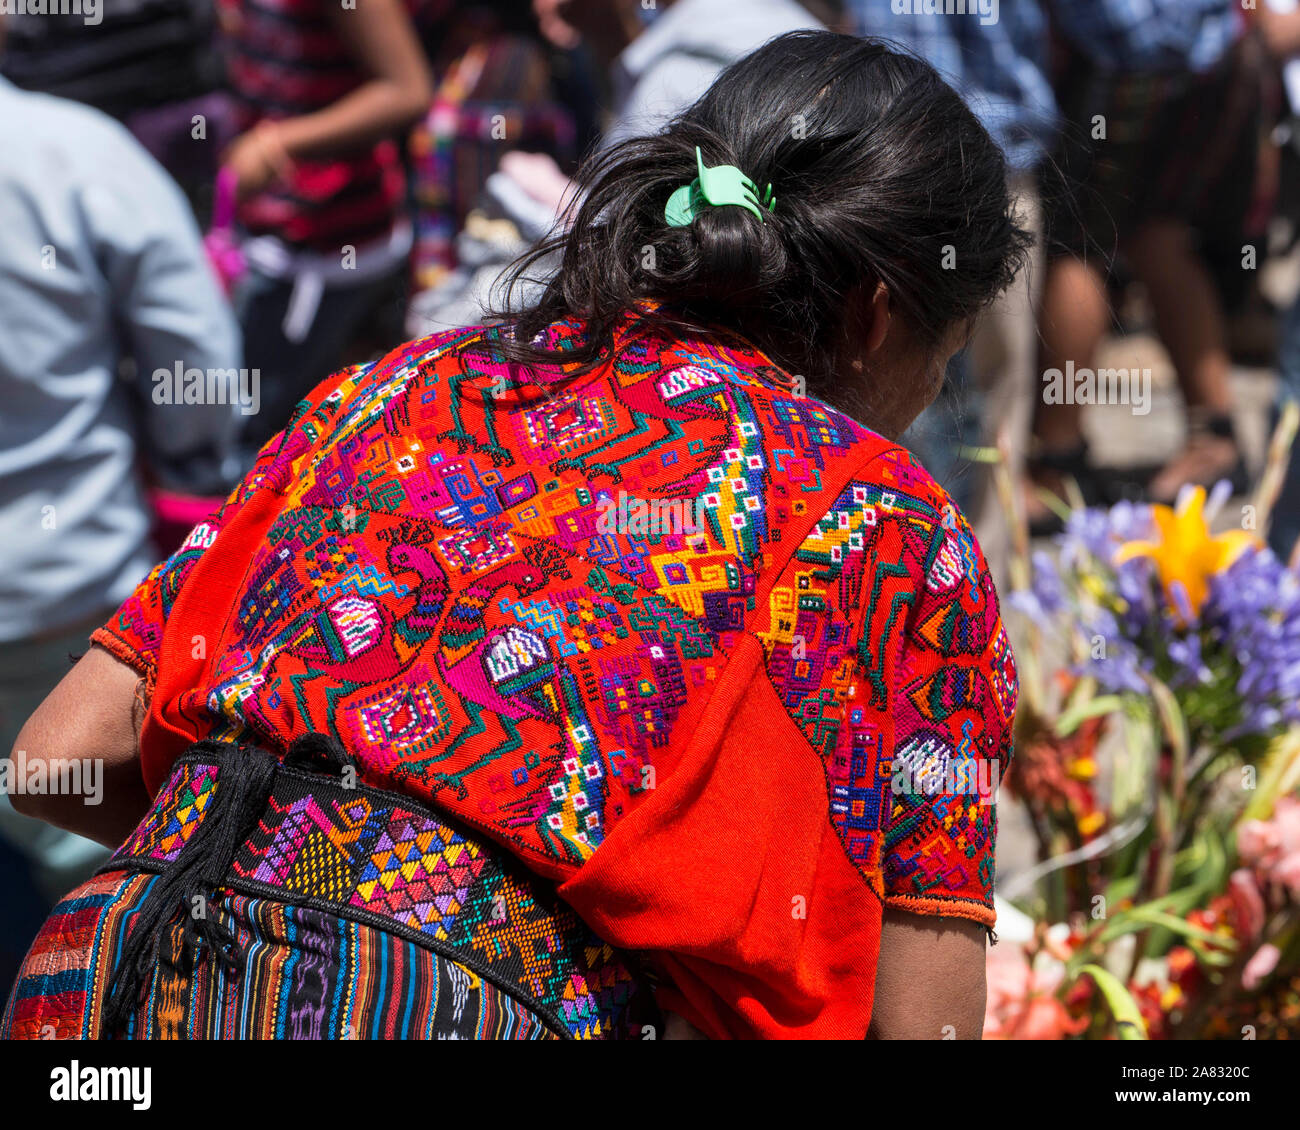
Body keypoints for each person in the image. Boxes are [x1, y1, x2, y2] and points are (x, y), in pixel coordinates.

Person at [5, 31, 1024, 1040]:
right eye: (951, 353)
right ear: (880, 315)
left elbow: (57, 757)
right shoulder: (895, 530)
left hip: (95, 983)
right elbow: (919, 1023)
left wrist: (281, 868)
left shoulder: (402, 383)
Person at [0, 67, 241, 990]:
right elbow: (198, 354)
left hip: (64, 581)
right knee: (90, 863)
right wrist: (194, 469)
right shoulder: (71, 152)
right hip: (69, 584)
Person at [1030, 0, 1267, 520]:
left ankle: (1058, 462)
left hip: (1133, 54)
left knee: (1079, 245)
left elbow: (1127, 25)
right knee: (1155, 232)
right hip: (1206, 45)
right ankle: (1215, 434)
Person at [216, 0, 434, 457]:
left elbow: (407, 88)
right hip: (264, 233)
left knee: (262, 436)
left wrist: (276, 145)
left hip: (325, 247)